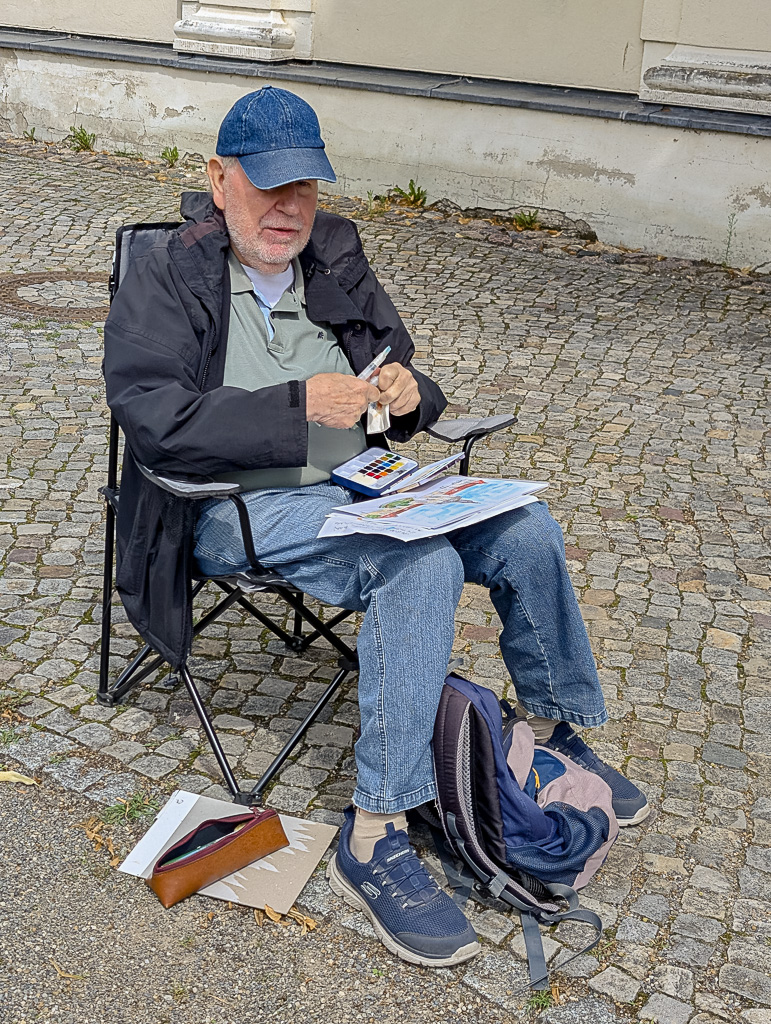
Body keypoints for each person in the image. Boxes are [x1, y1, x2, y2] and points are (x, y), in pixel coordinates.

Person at [104, 86, 649, 969]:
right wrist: (293, 406)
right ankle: (378, 826)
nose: (289, 210)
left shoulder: (333, 253)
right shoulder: (168, 270)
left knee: (528, 528)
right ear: (217, 177)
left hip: (362, 482)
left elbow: (404, 379)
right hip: (230, 505)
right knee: (420, 568)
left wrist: (407, 396)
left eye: (306, 189)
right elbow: (152, 417)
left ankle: (544, 738)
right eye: (269, 186)